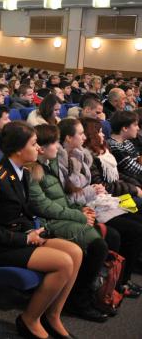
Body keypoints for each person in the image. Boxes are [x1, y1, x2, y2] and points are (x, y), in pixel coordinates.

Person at [0, 121, 84, 338]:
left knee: (75, 253)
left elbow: (24, 212)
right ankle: (29, 319)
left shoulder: (22, 171)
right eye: (34, 144)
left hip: (22, 236)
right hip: (0, 246)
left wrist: (34, 232)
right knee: (63, 263)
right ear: (19, 150)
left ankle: (53, 316)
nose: (39, 149)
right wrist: (25, 239)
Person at [27, 124, 111, 321]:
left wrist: (79, 210)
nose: (58, 147)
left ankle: (94, 292)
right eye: (54, 143)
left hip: (62, 216)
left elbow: (63, 197)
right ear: (41, 147)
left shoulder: (53, 163)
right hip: (48, 223)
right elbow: (44, 207)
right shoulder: (34, 170)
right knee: (98, 245)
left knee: (108, 235)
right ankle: (78, 300)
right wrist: (78, 216)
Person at [57, 117, 142, 297]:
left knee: (135, 222)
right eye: (99, 132)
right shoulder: (66, 160)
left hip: (94, 201)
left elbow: (111, 179)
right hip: (87, 207)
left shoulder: (82, 155)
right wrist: (92, 190)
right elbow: (70, 193)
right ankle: (108, 285)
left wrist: (134, 187)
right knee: (124, 232)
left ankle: (120, 280)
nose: (103, 134)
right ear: (68, 138)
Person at [81, 117, 142, 202]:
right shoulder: (87, 156)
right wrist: (133, 189)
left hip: (117, 187)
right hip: (106, 195)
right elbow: (101, 184)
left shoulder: (104, 150)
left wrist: (134, 184)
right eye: (99, 132)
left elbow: (116, 174)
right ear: (90, 135)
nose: (103, 135)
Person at [106, 110, 142, 184]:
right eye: (135, 125)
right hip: (130, 183)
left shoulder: (127, 142)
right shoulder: (114, 146)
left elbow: (138, 159)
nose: (138, 128)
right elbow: (134, 169)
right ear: (125, 128)